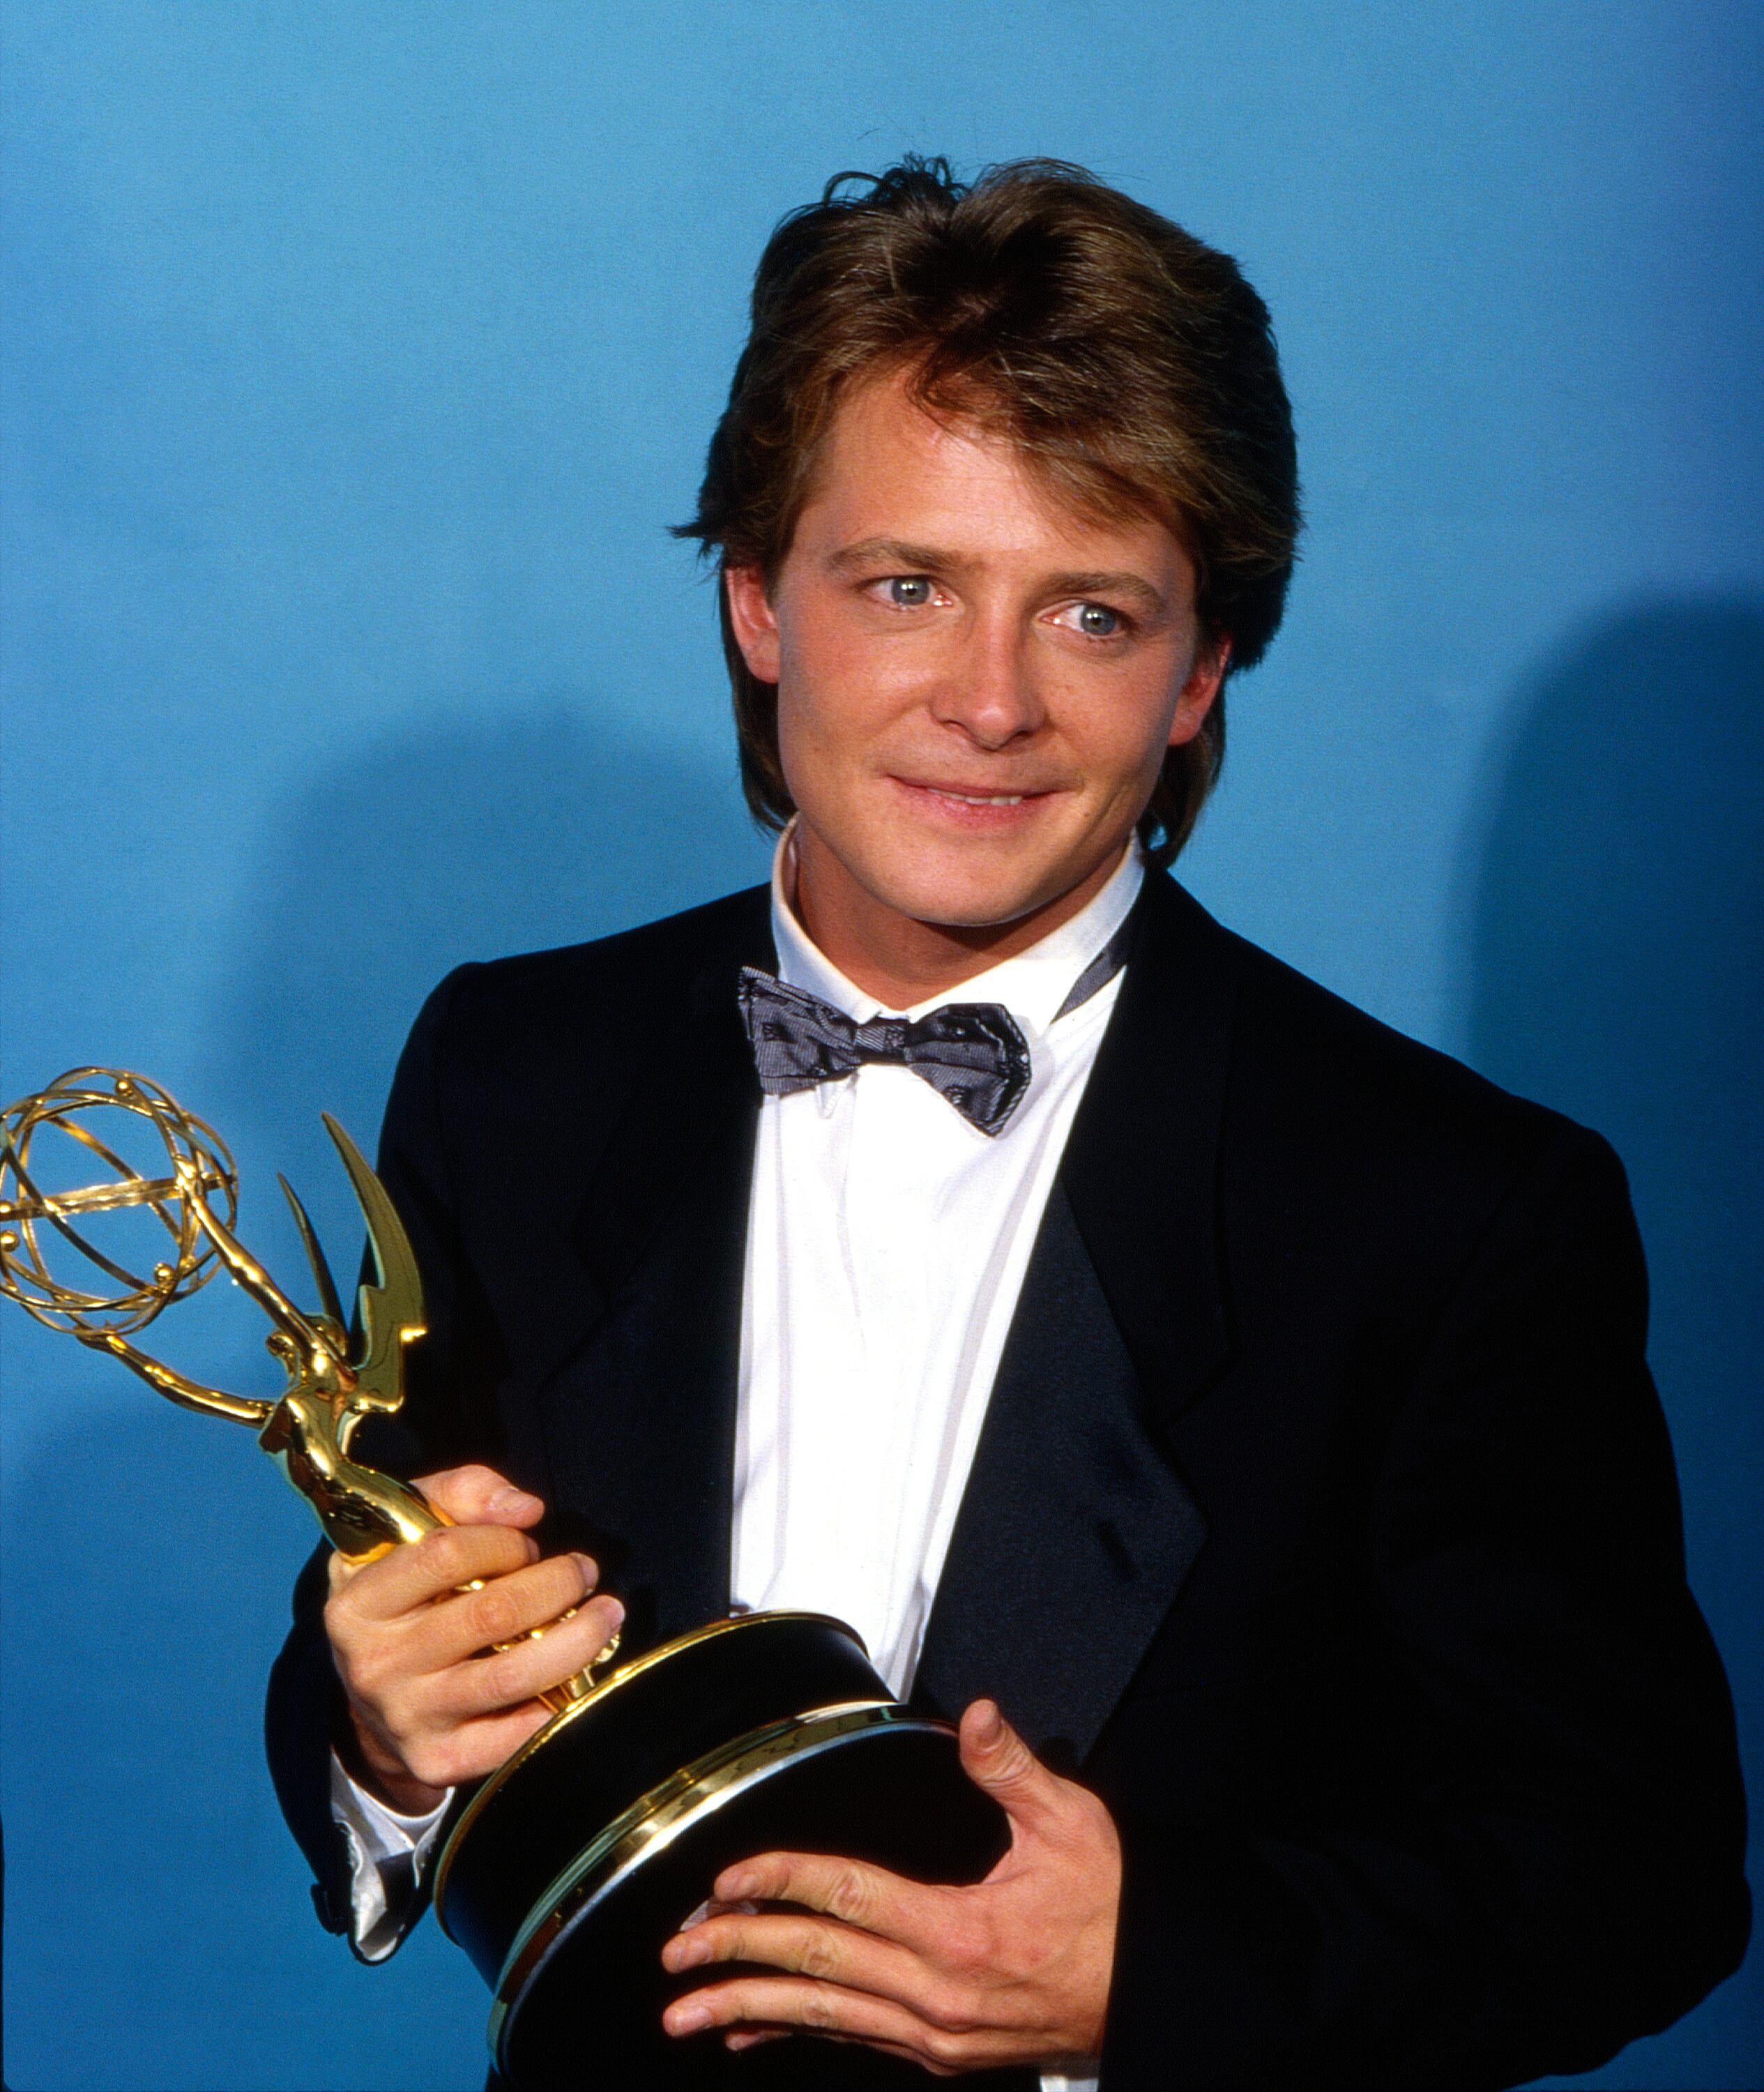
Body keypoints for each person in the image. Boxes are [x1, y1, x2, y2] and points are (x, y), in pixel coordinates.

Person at [266, 158, 1749, 2089]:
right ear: (755, 605)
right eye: (907, 586)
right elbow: (398, 1663)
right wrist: (376, 1735)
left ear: (1201, 668)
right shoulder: (512, 1070)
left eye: (1091, 615)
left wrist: (1148, 1973)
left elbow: (1629, 1881)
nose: (989, 703)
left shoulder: (1444, 1210)